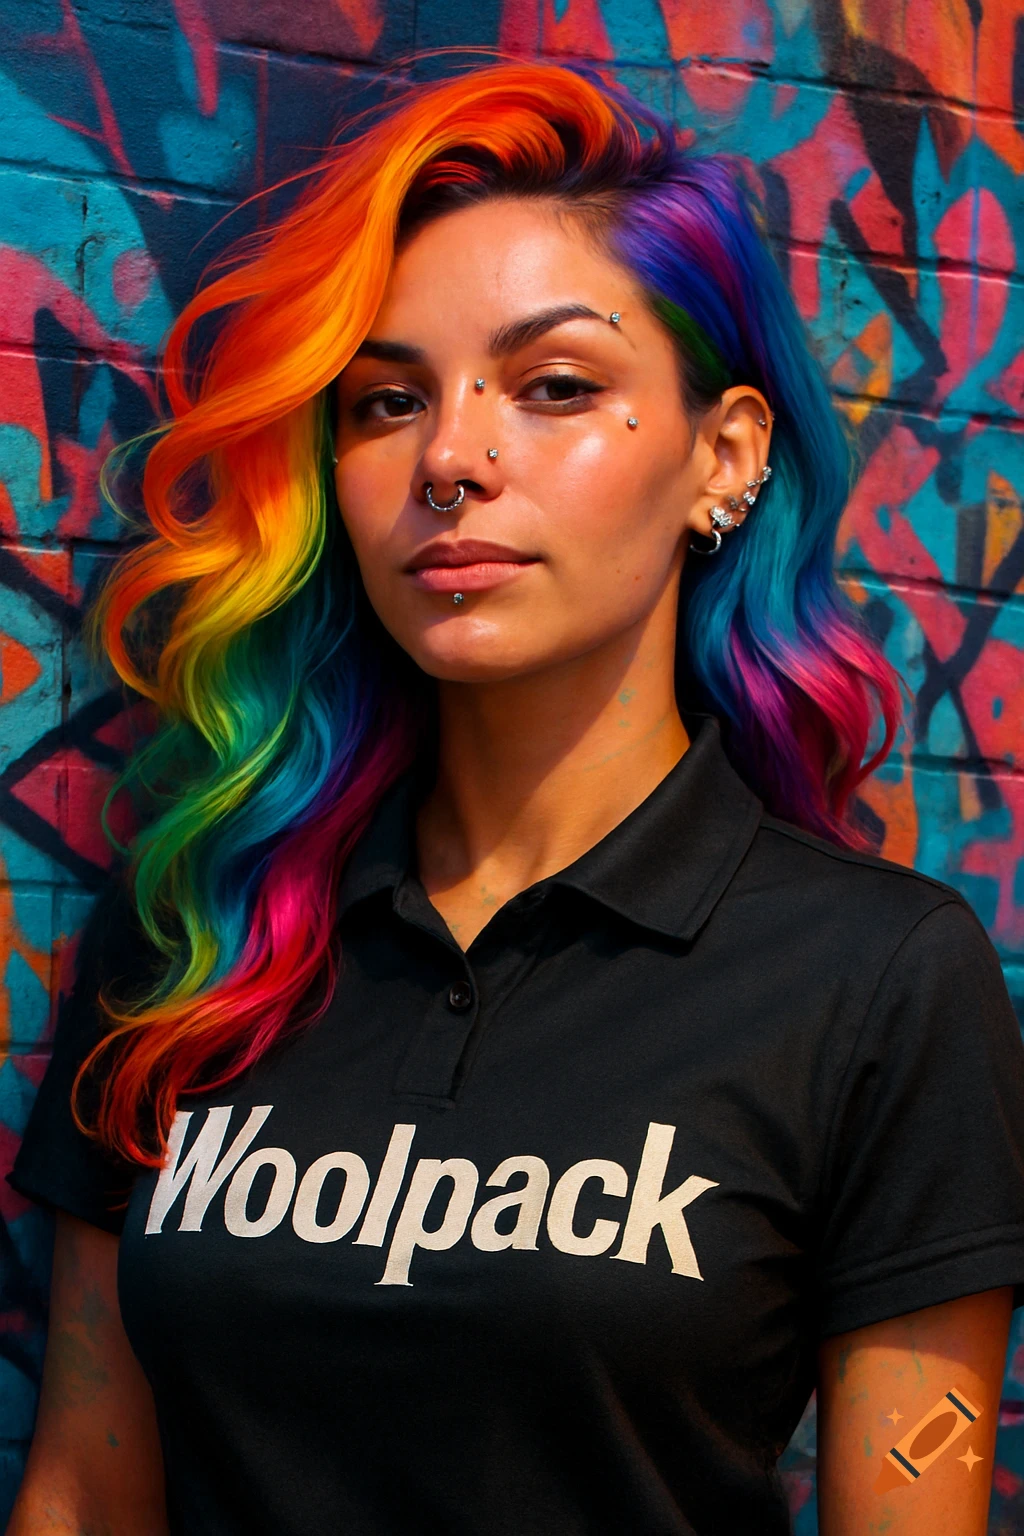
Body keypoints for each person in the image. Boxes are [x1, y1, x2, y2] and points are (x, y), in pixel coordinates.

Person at [7, 57, 1024, 1536]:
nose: (452, 460)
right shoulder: (196, 927)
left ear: (721, 459)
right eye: (384, 402)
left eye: (555, 388)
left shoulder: (877, 983)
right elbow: (86, 1496)